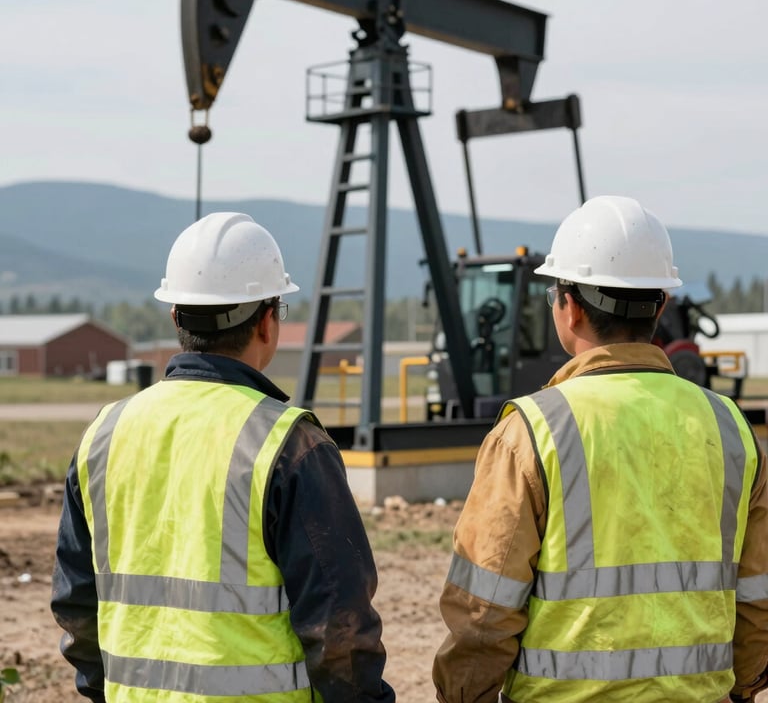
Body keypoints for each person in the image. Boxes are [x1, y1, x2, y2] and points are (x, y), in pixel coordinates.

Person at [432, 195, 768, 703]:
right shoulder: (730, 429)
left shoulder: (532, 431)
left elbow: (484, 611)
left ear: (568, 306)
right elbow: (758, 595)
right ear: (661, 304)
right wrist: (740, 687)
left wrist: (464, 694)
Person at [51, 211, 396, 703]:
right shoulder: (288, 444)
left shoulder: (104, 435)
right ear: (267, 320)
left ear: (175, 317)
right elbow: (341, 630)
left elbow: (76, 606)